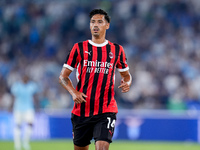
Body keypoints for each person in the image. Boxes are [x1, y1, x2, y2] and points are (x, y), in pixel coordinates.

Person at [59, 9, 132, 150]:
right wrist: (74, 92)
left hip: (106, 109)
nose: (95, 25)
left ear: (107, 25)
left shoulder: (117, 50)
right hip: (82, 110)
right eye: (92, 22)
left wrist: (127, 83)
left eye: (100, 21)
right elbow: (63, 76)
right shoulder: (79, 48)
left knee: (102, 148)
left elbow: (126, 75)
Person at [11, 74, 39, 150]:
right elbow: (13, 96)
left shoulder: (32, 86)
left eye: (27, 78)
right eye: (24, 78)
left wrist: (37, 106)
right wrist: (10, 106)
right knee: (18, 126)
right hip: (18, 108)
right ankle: (17, 145)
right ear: (22, 78)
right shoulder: (17, 85)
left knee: (30, 124)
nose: (26, 79)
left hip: (29, 108)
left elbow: (35, 95)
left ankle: (25, 142)